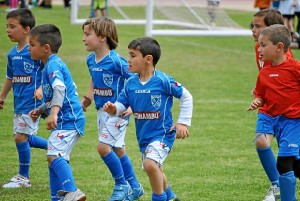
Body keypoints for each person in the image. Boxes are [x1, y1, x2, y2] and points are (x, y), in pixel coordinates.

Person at [103, 37, 193, 201]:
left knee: (150, 165)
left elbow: (186, 96)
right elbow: (121, 105)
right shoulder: (130, 83)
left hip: (163, 134)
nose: (128, 60)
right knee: (155, 168)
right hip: (144, 137)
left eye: (133, 55)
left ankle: (158, 198)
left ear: (148, 59)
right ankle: (171, 196)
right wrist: (113, 109)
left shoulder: (163, 80)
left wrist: (182, 122)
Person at [81, 17, 143, 201]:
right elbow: (94, 77)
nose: (84, 38)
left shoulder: (117, 61)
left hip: (118, 112)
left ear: (102, 37)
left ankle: (121, 185)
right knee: (117, 149)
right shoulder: (90, 59)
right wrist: (88, 97)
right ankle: (135, 187)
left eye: (87, 34)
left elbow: (135, 80)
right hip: (102, 111)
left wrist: (132, 106)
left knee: (103, 148)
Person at [28, 24, 86, 201]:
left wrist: (53, 114)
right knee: (53, 159)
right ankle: (56, 198)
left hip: (68, 119)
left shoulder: (53, 65)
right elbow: (55, 96)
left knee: (54, 155)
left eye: (32, 44)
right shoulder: (49, 66)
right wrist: (41, 110)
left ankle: (72, 191)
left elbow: (60, 89)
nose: (29, 48)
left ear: (45, 48)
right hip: (65, 119)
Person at [247, 24, 300, 201]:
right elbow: (261, 94)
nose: (259, 49)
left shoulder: (295, 69)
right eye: (259, 45)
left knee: (284, 164)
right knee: (295, 166)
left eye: (263, 45)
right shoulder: (264, 73)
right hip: (272, 119)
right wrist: (257, 101)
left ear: (279, 48)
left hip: (293, 122)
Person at [0, 8, 48, 189]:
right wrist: (3, 96)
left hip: (33, 103)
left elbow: (48, 70)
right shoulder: (12, 53)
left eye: (13, 26)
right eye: (7, 27)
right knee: (24, 138)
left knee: (20, 138)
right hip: (19, 103)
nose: (8, 30)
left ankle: (23, 177)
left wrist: (41, 88)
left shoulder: (34, 51)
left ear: (27, 29)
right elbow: (10, 77)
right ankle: (56, 146)